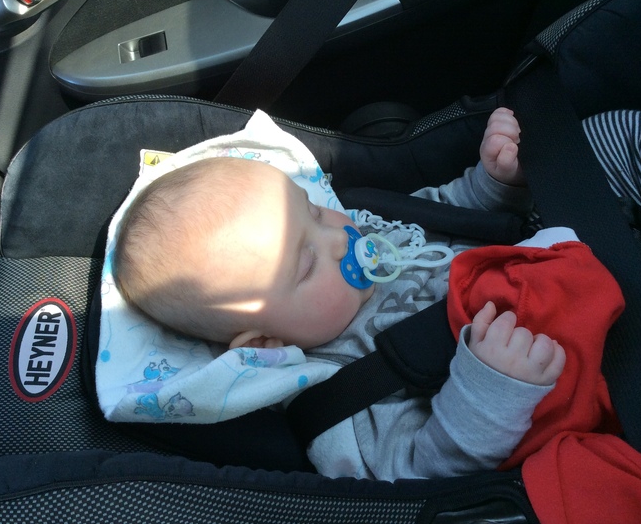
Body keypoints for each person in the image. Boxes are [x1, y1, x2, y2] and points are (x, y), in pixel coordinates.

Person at [112, 107, 569, 480]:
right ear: (264, 343)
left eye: (313, 210)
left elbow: (450, 212)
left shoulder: (369, 222)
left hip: (560, 252)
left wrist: (495, 184)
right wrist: (490, 393)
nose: (337, 237)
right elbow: (415, 470)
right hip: (562, 369)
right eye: (307, 264)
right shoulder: (336, 397)